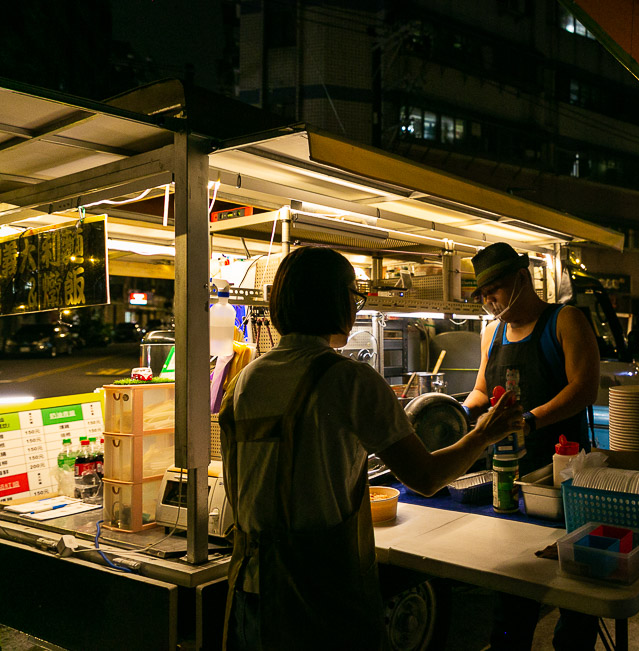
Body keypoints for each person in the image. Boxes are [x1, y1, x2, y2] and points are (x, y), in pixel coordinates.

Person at [218, 246, 524, 650]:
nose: (356, 307)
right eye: (354, 295)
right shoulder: (350, 380)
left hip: (250, 590)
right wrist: (484, 433)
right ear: (334, 299)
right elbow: (427, 477)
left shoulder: (244, 381)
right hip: (321, 594)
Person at [462, 242, 601, 651]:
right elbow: (481, 389)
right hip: (507, 475)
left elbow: (584, 388)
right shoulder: (492, 332)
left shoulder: (564, 320)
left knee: (574, 594)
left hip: (563, 476)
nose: (489, 300)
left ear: (523, 279)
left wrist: (530, 419)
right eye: (483, 293)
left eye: (496, 289)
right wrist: (457, 412)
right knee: (512, 590)